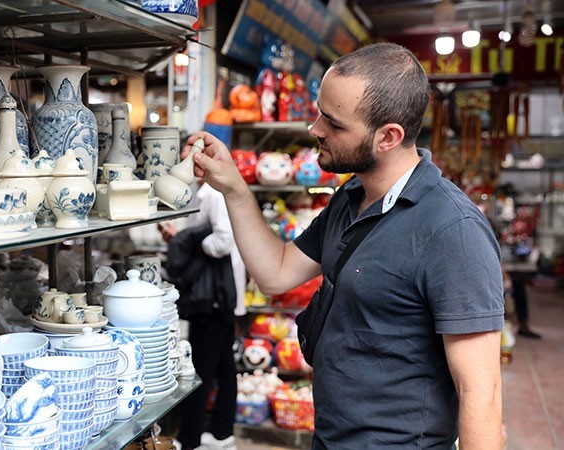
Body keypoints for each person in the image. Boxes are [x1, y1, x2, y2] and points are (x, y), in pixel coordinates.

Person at [182, 43, 504, 449]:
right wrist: (232, 185)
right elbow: (276, 272)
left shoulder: (452, 231)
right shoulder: (351, 196)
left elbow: (482, 392)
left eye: (333, 123)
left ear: (388, 136)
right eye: (319, 112)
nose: (315, 128)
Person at [159, 180, 246, 450]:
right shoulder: (206, 193)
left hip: (212, 298)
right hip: (220, 296)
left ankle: (190, 439)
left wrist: (189, 242)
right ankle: (221, 433)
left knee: (199, 371)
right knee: (223, 367)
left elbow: (223, 241)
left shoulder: (214, 195)